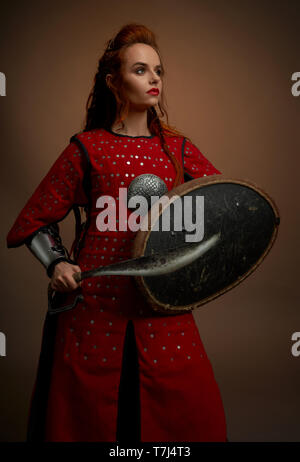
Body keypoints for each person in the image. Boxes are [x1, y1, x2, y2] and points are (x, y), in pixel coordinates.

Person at [6, 23, 227, 442]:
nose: (154, 79)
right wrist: (56, 261)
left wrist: (194, 258)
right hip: (94, 310)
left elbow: (226, 207)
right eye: (141, 70)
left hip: (162, 307)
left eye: (158, 70)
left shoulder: (177, 150)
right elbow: (36, 220)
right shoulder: (87, 147)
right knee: (93, 420)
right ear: (114, 81)